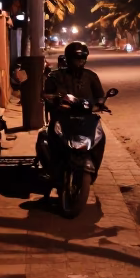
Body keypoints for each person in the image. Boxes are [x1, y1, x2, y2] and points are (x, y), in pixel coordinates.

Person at [39, 42, 108, 180]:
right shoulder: (55, 76)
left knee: (101, 137)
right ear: (69, 58)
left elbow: (99, 95)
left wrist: (100, 104)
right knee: (48, 138)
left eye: (82, 58)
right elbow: (47, 93)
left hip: (86, 118)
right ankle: (52, 169)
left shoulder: (91, 76)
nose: (80, 61)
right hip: (62, 117)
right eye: (77, 58)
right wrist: (54, 100)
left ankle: (94, 167)